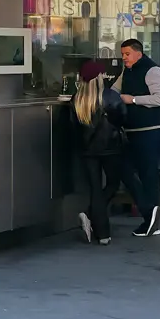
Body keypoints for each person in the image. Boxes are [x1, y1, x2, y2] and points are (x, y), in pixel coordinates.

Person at [110, 38, 160, 237]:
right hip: (134, 131)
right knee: (125, 169)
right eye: (122, 54)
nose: (124, 58)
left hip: (152, 130)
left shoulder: (152, 71)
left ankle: (151, 221)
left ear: (138, 53)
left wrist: (133, 99)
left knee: (148, 174)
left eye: (127, 54)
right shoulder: (127, 71)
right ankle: (149, 212)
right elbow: (114, 91)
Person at [71, 61, 123, 245]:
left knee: (95, 189)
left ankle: (102, 233)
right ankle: (93, 219)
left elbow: (73, 128)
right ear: (99, 77)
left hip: (87, 150)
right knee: (113, 184)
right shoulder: (109, 96)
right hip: (110, 148)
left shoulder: (77, 99)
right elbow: (122, 117)